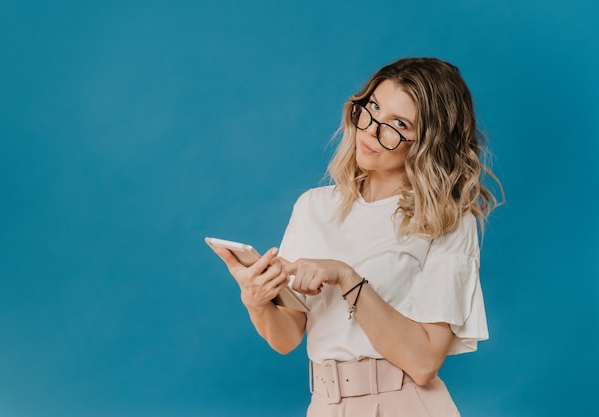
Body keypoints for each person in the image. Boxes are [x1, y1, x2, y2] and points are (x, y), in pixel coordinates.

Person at [211, 57, 503, 417]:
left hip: (406, 404)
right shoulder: (312, 207)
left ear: (427, 141)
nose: (371, 130)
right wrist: (256, 300)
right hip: (325, 404)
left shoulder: (445, 220)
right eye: (373, 108)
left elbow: (424, 362)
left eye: (398, 124)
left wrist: (346, 277)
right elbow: (287, 338)